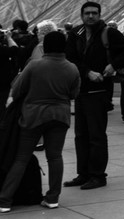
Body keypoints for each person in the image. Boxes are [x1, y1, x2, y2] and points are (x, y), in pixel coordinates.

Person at [0, 31, 80, 212]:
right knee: (55, 156)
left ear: (45, 46)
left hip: (33, 116)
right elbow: (74, 94)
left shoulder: (34, 66)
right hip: (60, 116)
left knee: (21, 158)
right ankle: (53, 198)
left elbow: (18, 88)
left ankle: (4, 200)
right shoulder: (72, 68)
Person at [65, 1, 124, 190]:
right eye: (87, 13)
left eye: (94, 13)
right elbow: (70, 58)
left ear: (100, 14)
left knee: (96, 135)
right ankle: (83, 173)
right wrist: (87, 72)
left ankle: (97, 175)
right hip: (81, 89)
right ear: (81, 15)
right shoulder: (75, 34)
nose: (90, 16)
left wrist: (113, 65)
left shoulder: (109, 33)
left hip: (99, 91)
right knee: (81, 135)